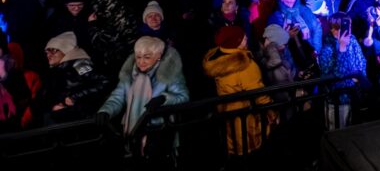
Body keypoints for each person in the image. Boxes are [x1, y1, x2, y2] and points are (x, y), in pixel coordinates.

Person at [96, 36, 189, 164]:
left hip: (159, 130)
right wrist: (106, 111)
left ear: (158, 56)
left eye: (147, 57)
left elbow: (183, 96)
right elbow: (118, 96)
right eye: (138, 57)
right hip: (134, 128)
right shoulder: (129, 73)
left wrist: (164, 98)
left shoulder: (169, 73)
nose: (141, 62)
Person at [202, 26, 274, 158]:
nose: (247, 39)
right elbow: (259, 94)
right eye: (243, 38)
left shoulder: (217, 59)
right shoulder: (245, 65)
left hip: (227, 115)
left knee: (235, 148)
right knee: (251, 151)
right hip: (247, 118)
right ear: (235, 42)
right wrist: (272, 114)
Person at [37, 31, 109, 124]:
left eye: (53, 50)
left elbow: (103, 82)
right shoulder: (59, 69)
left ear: (65, 50)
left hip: (81, 119)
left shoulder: (79, 64)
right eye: (47, 51)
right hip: (69, 117)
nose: (48, 55)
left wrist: (74, 98)